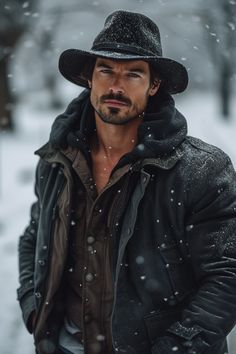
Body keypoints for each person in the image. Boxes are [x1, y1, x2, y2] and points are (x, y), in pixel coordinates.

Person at [17, 9, 236, 354]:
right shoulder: (58, 159)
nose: (116, 85)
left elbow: (226, 275)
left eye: (133, 73)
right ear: (90, 78)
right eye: (106, 70)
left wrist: (175, 348)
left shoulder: (201, 171)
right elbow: (35, 235)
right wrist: (33, 308)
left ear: (154, 85)